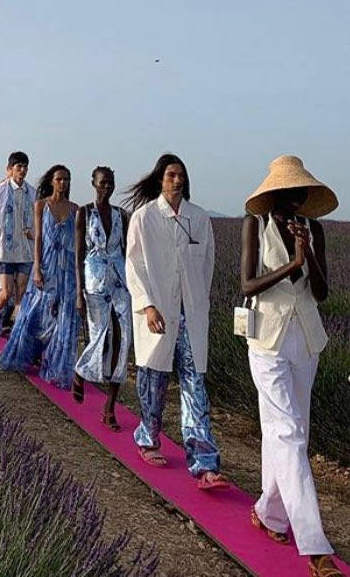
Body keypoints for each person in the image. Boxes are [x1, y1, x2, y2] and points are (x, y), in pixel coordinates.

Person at [241, 156, 339, 577]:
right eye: (294, 192)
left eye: (304, 193)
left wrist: (308, 254)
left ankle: (270, 512)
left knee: (290, 431)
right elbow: (247, 284)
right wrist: (291, 265)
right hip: (267, 340)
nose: (299, 199)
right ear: (276, 193)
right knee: (289, 433)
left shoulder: (312, 230)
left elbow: (321, 292)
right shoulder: (253, 225)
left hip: (306, 340)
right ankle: (316, 547)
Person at [125, 153, 228, 488]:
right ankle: (148, 437)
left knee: (195, 386)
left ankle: (205, 463)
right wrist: (148, 306)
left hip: (191, 316)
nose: (177, 180)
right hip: (157, 314)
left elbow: (207, 265)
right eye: (171, 175)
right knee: (153, 382)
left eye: (181, 175)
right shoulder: (144, 218)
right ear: (160, 179)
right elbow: (134, 267)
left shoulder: (199, 219)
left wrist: (201, 305)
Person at [0, 165, 78, 387]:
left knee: (63, 319)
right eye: (60, 179)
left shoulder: (75, 209)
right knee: (34, 313)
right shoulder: (41, 206)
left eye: (67, 180)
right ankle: (25, 353)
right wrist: (37, 269)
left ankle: (55, 365)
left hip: (67, 270)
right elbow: (39, 238)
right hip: (46, 265)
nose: (63, 183)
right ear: (52, 181)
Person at [71, 167, 133, 429]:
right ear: (93, 184)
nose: (106, 187)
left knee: (123, 339)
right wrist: (78, 292)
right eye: (102, 183)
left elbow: (127, 251)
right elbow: (78, 254)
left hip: (120, 280)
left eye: (110, 183)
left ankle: (110, 406)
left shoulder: (121, 214)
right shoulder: (84, 213)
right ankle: (81, 371)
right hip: (94, 279)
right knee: (100, 337)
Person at [0, 151, 36, 338]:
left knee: (22, 291)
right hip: (4, 249)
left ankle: (17, 327)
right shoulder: (0, 191)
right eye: (18, 167)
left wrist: (34, 233)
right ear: (10, 169)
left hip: (25, 250)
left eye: (25, 167)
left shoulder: (32, 192)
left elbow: (37, 220)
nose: (22, 170)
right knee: (6, 293)